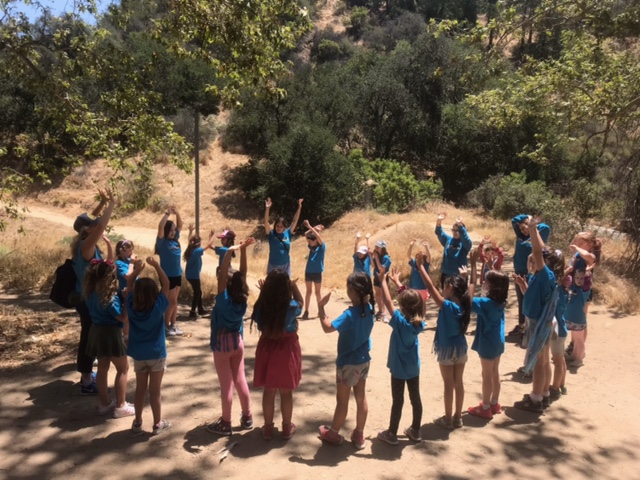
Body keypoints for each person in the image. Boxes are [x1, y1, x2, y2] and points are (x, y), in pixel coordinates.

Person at [317, 271, 375, 450]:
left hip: (347, 363)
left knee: (342, 401)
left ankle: (333, 433)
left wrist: (321, 308)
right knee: (361, 397)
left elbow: (327, 328)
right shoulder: (369, 309)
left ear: (353, 292)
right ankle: (359, 434)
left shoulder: (349, 315)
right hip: (363, 360)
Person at [513, 216, 565, 413]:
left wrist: (533, 229)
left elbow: (537, 251)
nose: (535, 259)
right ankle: (543, 394)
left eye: (541, 258)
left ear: (547, 262)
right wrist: (523, 286)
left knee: (538, 363)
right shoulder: (540, 277)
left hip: (538, 324)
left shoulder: (546, 275)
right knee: (543, 361)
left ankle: (535, 399)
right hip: (542, 321)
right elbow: (536, 298)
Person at [207, 237, 256, 436]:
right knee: (240, 380)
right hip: (237, 342)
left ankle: (226, 422)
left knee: (226, 386)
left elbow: (223, 278)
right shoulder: (241, 299)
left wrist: (229, 252)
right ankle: (247, 417)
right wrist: (243, 250)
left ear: (225, 284)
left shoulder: (223, 301)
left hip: (222, 346)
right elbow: (242, 275)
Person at [417, 252, 470, 430]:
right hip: (461, 348)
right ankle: (458, 417)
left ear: (451, 289)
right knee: (459, 382)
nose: (442, 289)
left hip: (447, 349)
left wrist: (421, 267)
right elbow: (466, 289)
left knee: (448, 384)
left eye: (445, 287)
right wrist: (464, 277)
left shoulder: (447, 306)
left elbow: (429, 287)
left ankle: (447, 419)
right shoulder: (464, 304)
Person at [71, 188, 116, 395]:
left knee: (90, 337)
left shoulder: (84, 242)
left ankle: (87, 375)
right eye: (92, 225)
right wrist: (112, 204)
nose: (96, 226)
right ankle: (86, 381)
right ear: (87, 230)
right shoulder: (85, 246)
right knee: (88, 339)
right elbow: (100, 225)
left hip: (88, 298)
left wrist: (103, 203)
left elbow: (93, 221)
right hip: (87, 300)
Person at [251, 269, 304, 441]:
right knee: (286, 392)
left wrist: (263, 293)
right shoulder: (291, 307)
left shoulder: (262, 306)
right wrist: (294, 287)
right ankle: (287, 428)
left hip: (267, 348)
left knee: (269, 391)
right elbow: (301, 303)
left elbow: (257, 316)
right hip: (286, 350)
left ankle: (267, 428)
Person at [376, 268, 426, 445]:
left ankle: (392, 433)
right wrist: (398, 283)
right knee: (415, 398)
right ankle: (416, 430)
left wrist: (382, 280)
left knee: (398, 400)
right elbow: (412, 301)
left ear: (403, 307)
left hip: (399, 369)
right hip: (413, 368)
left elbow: (388, 301)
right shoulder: (418, 323)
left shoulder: (400, 322)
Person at [126, 256, 172, 435]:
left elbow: (129, 284)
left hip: (139, 354)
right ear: (155, 293)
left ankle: (137, 423)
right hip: (156, 353)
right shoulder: (158, 306)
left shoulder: (131, 305)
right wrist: (156, 266)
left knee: (140, 390)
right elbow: (166, 284)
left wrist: (137, 270)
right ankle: (157, 424)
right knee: (155, 391)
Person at [84, 259, 134, 418]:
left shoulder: (90, 293)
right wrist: (126, 300)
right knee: (123, 368)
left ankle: (104, 404)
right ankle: (121, 406)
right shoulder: (109, 299)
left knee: (102, 368)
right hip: (110, 333)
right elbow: (123, 318)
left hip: (96, 331)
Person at [463, 251, 509, 420]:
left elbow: (468, 299)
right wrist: (490, 266)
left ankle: (485, 407)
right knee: (495, 372)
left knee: (486, 375)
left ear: (492, 287)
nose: (483, 283)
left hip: (488, 343)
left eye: (486, 282)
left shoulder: (485, 303)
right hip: (498, 341)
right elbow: (501, 280)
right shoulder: (500, 301)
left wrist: (472, 269)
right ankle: (495, 403)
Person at [511, 214, 551, 336]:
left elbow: (546, 227)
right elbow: (514, 220)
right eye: (521, 229)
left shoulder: (538, 234)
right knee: (521, 299)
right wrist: (525, 217)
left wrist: (531, 224)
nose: (523, 231)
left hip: (531, 271)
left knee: (530, 297)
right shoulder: (520, 236)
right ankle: (521, 325)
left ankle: (530, 327)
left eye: (524, 228)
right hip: (519, 271)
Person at [155, 206, 183, 336]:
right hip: (167, 276)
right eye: (170, 230)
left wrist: (177, 213)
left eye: (173, 230)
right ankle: (166, 326)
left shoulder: (175, 241)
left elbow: (180, 226)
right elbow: (160, 226)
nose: (173, 232)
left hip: (177, 274)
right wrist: (167, 214)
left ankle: (173, 325)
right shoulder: (162, 242)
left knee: (175, 301)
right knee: (171, 301)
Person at [263, 197, 303, 275]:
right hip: (273, 265)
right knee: (271, 283)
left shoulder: (288, 233)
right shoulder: (271, 234)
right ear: (275, 226)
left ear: (284, 227)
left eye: (281, 226)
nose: (279, 228)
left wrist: (299, 207)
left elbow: (295, 221)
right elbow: (266, 222)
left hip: (285, 265)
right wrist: (267, 209)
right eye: (277, 226)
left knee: (286, 283)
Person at [184, 225, 215, 318]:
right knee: (197, 293)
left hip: (190, 275)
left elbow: (190, 240)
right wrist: (213, 236)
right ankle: (193, 311)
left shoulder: (191, 249)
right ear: (199, 244)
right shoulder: (196, 251)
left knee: (198, 291)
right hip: (193, 276)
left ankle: (200, 309)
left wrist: (190, 231)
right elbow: (208, 245)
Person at [435, 213, 472, 288]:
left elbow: (466, 239)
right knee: (446, 295)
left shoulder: (465, 244)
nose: (455, 232)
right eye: (453, 230)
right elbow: (439, 232)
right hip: (446, 275)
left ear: (462, 231)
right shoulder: (448, 240)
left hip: (459, 275)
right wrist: (439, 220)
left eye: (457, 230)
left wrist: (460, 225)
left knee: (459, 295)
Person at [564, 269, 592, 367]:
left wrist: (587, 273)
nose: (579, 280)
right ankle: (575, 355)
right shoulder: (573, 287)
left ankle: (579, 359)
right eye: (577, 278)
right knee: (575, 339)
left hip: (579, 320)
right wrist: (571, 269)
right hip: (571, 319)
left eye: (581, 278)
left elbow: (587, 283)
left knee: (579, 340)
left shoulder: (584, 291)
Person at [301, 220, 326, 320]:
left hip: (317, 272)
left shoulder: (322, 247)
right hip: (308, 272)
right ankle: (306, 311)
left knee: (317, 292)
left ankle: (320, 311)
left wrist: (310, 227)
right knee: (308, 291)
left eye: (311, 241)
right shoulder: (311, 246)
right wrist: (314, 228)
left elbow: (318, 237)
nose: (310, 243)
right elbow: (305, 235)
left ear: (316, 241)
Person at [407, 240, 431, 316]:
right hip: (413, 288)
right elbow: (408, 255)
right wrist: (411, 246)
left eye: (421, 257)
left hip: (423, 288)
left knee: (423, 304)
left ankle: (423, 317)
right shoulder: (413, 263)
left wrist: (426, 247)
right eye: (417, 257)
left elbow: (429, 256)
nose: (418, 258)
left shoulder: (426, 265)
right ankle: (414, 316)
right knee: (414, 304)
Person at [372, 240, 392, 322]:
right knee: (377, 294)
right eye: (376, 246)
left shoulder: (386, 258)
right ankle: (380, 311)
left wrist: (376, 258)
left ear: (382, 248)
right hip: (376, 276)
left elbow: (381, 268)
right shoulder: (377, 256)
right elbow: (373, 266)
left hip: (383, 277)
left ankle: (385, 313)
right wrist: (371, 256)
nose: (376, 248)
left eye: (378, 247)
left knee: (383, 295)